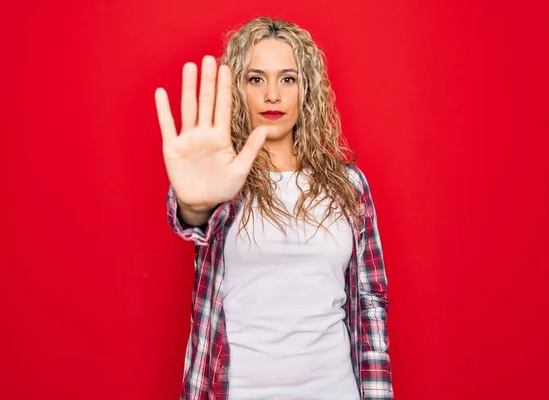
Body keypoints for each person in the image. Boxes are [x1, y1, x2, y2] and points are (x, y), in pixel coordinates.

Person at [155, 16, 394, 400]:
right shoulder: (222, 181)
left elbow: (370, 302)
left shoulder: (350, 185)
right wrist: (192, 205)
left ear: (307, 89)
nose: (272, 95)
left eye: (287, 78)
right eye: (255, 79)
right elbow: (193, 222)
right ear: (236, 90)